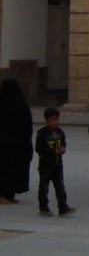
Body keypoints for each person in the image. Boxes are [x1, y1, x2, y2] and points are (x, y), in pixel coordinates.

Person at [34, 106, 73, 217]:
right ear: (46, 121)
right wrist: (52, 152)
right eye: (52, 119)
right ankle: (44, 207)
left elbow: (63, 142)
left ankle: (63, 206)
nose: (55, 122)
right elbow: (39, 149)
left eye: (57, 119)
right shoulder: (42, 134)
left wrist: (63, 149)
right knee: (44, 188)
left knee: (60, 186)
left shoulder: (60, 132)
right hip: (46, 166)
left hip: (57, 165)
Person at [0, 78, 32, 206]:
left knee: (4, 169)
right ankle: (7, 194)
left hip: (3, 145)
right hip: (18, 145)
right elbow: (27, 125)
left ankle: (6, 194)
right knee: (14, 169)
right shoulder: (21, 104)